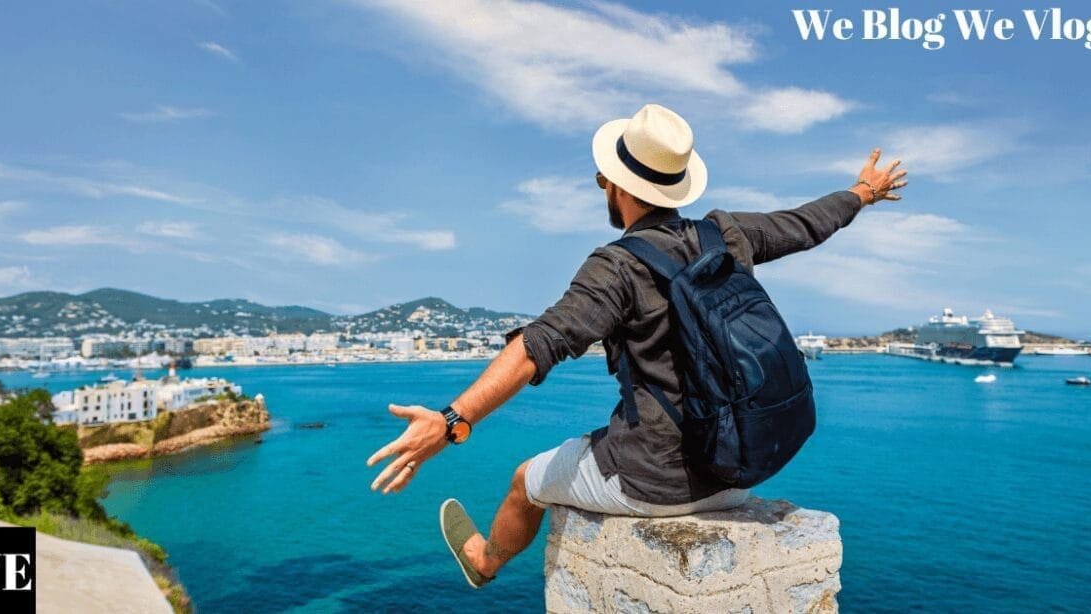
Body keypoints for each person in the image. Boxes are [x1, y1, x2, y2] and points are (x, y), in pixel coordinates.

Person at [366, 103, 907, 588]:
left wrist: (451, 420)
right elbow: (806, 224)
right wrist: (863, 192)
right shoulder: (726, 235)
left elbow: (539, 345)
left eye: (605, 179)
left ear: (618, 187)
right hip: (742, 468)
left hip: (655, 482)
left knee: (524, 482)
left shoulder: (617, 266)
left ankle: (484, 562)